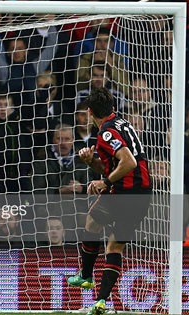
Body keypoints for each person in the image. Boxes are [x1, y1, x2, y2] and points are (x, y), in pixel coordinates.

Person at [67, 88, 151, 315]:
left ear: (90, 111)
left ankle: (86, 276)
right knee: (113, 245)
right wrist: (90, 161)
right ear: (112, 108)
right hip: (142, 193)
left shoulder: (106, 133)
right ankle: (100, 301)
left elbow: (129, 162)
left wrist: (104, 182)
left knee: (92, 222)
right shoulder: (122, 123)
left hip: (125, 190)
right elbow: (113, 165)